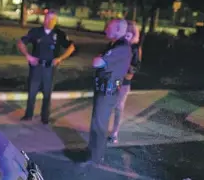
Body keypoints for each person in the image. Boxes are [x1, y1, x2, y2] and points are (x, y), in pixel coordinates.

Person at [80, 19, 133, 167]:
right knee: (97, 122)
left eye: (108, 27)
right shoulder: (115, 45)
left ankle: (95, 158)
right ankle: (93, 151)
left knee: (99, 124)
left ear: (117, 29)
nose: (105, 30)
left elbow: (97, 62)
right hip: (104, 89)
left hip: (107, 91)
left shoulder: (122, 47)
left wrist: (99, 58)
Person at [17, 10, 76, 124]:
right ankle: (28, 115)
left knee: (47, 94)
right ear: (44, 19)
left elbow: (71, 47)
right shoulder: (36, 32)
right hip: (36, 67)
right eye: (48, 18)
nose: (50, 21)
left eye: (53, 19)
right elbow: (21, 42)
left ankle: (45, 118)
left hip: (49, 68)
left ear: (55, 21)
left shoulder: (59, 34)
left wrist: (60, 58)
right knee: (32, 92)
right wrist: (28, 56)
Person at [109, 20, 142, 144]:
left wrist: (128, 73)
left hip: (124, 81)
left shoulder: (135, 47)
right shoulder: (118, 43)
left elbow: (137, 65)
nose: (127, 33)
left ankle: (114, 132)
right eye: (126, 30)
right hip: (115, 78)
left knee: (118, 106)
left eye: (130, 31)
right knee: (109, 104)